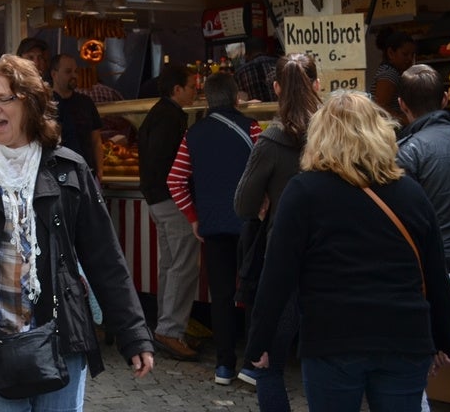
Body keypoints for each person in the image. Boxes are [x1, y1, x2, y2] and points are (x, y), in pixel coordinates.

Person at [0, 55, 154, 411]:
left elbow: (105, 257)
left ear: (30, 101)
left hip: (61, 336)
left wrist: (134, 334)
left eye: (4, 98)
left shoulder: (68, 169)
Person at [245, 92, 450, 410]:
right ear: (380, 133)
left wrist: (260, 341)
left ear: (320, 137)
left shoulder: (304, 193)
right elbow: (434, 273)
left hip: (332, 340)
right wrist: (445, 339)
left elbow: (277, 276)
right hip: (403, 337)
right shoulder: (411, 193)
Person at [233, 52, 321, 407]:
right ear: (317, 85)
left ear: (275, 88)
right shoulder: (335, 138)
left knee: (268, 364)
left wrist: (265, 201)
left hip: (282, 263)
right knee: (325, 361)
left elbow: (241, 205)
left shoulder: (269, 143)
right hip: (332, 261)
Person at [166, 73, 262, 385]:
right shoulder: (253, 128)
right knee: (252, 292)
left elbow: (175, 180)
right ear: (236, 98)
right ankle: (252, 363)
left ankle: (224, 365)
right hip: (249, 224)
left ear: (207, 99)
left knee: (221, 296)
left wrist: (195, 218)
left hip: (213, 225)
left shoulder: (193, 134)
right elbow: (264, 173)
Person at [137, 63, 200, 360]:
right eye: (191, 86)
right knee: (182, 265)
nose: (195, 91)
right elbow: (169, 165)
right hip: (172, 198)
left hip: (156, 198)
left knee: (171, 264)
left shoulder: (159, 112)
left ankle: (166, 326)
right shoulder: (171, 117)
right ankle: (170, 330)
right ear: (177, 89)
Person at [396, 65, 450, 345]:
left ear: (402, 105)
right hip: (439, 269)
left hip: (429, 275)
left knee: (420, 369)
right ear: (445, 98)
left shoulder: (407, 152)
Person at [49, 53, 104, 177]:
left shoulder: (86, 102)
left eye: (76, 71)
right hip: (56, 174)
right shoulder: (45, 104)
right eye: (68, 72)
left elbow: (96, 140)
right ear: (54, 74)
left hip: (86, 172)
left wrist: (99, 170)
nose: (74, 76)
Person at [373, 28, 417, 124]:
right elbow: (380, 109)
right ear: (391, 53)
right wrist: (407, 120)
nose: (409, 59)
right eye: (405, 54)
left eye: (412, 55)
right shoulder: (389, 74)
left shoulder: (395, 73)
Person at [235, 36, 278, 103]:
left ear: (246, 54)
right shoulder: (278, 64)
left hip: (254, 112)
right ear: (267, 49)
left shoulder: (239, 73)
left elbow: (240, 100)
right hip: (280, 111)